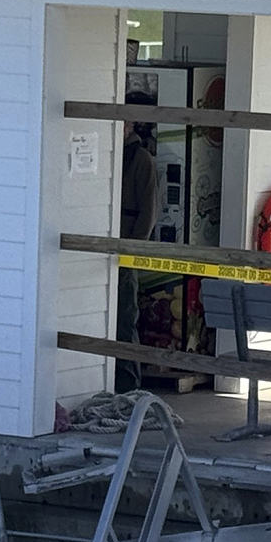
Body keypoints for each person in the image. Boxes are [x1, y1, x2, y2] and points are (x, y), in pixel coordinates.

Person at [116, 93, 159, 392]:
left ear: (130, 125)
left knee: (124, 319)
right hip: (106, 243)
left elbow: (149, 212)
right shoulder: (111, 155)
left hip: (126, 248)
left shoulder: (141, 160)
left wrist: (132, 251)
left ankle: (129, 386)